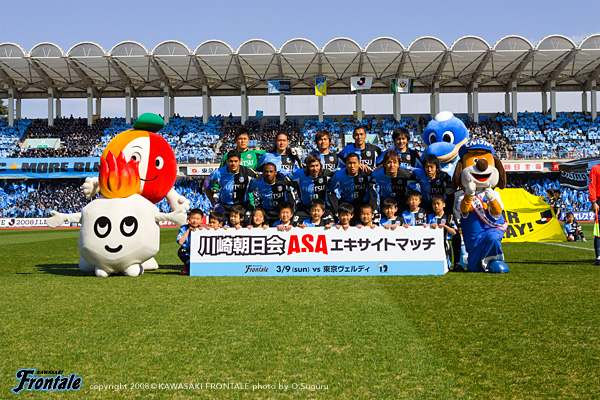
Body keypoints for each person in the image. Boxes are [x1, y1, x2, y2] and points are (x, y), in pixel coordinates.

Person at [205, 150, 257, 218]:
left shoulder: (249, 172)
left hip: (242, 207)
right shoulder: (218, 173)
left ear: (240, 161)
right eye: (231, 161)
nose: (233, 164)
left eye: (236, 161)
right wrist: (214, 203)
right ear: (227, 161)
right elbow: (205, 185)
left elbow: (261, 181)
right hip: (224, 207)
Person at [288, 155, 335, 226]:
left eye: (317, 165)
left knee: (331, 225)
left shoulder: (327, 174)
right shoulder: (299, 174)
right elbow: (286, 179)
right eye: (312, 166)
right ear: (307, 167)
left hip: (321, 210)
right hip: (304, 209)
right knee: (293, 225)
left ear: (320, 165)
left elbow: (339, 175)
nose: (315, 169)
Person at [328, 153, 375, 225]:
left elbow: (379, 174)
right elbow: (330, 190)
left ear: (359, 163)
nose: (352, 166)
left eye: (354, 163)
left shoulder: (366, 172)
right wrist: (336, 207)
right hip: (347, 205)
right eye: (350, 163)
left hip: (363, 205)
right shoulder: (338, 175)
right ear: (346, 164)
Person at [427, 195, 457, 267]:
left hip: (444, 242)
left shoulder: (449, 217)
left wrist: (445, 226)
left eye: (438, 204)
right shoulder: (429, 216)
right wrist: (429, 226)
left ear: (444, 205)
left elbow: (454, 232)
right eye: (434, 204)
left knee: (446, 266)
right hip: (431, 242)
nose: (436, 206)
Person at [176, 208, 204, 275]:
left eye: (197, 219)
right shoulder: (183, 228)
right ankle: (188, 266)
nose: (195, 221)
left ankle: (188, 268)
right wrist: (188, 231)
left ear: (201, 220)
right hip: (187, 250)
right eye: (193, 218)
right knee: (181, 251)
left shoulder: (202, 229)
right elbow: (180, 242)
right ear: (189, 219)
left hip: (198, 250)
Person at [589, 162, 600, 264]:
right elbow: (592, 185)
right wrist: (594, 202)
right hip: (599, 200)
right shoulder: (595, 168)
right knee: (599, 230)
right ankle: (598, 257)